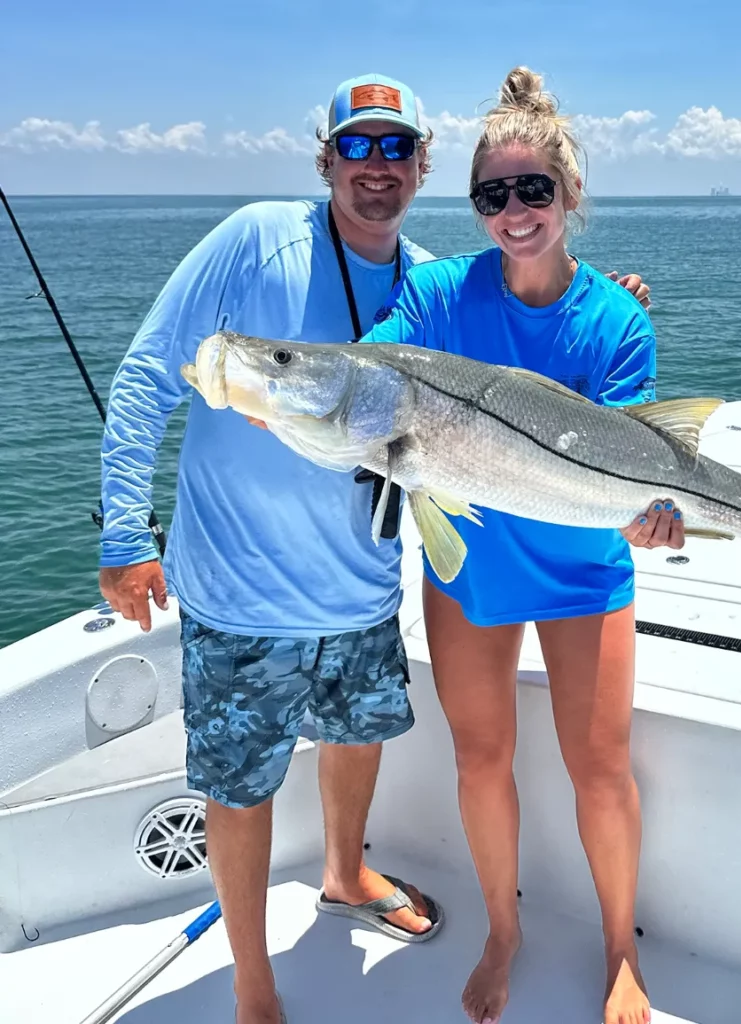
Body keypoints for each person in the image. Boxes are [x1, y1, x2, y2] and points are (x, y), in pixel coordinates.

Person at [98, 72, 662, 1024]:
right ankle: (258, 989)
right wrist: (124, 528)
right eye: (355, 147)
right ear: (325, 158)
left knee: (361, 742)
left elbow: (538, 377)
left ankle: (355, 876)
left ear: (421, 164)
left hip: (366, 589)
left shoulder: (455, 280)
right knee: (248, 786)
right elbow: (173, 370)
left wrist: (610, 300)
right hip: (259, 590)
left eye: (394, 148)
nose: (374, 166)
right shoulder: (290, 248)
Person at [361, 66, 680, 1024]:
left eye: (533, 190)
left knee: (601, 770)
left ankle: (621, 950)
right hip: (471, 565)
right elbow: (373, 373)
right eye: (493, 195)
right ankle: (505, 931)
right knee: (479, 759)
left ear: (569, 196)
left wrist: (651, 510)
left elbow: (622, 462)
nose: (514, 211)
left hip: (585, 567)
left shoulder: (618, 321)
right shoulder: (435, 296)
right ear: (476, 206)